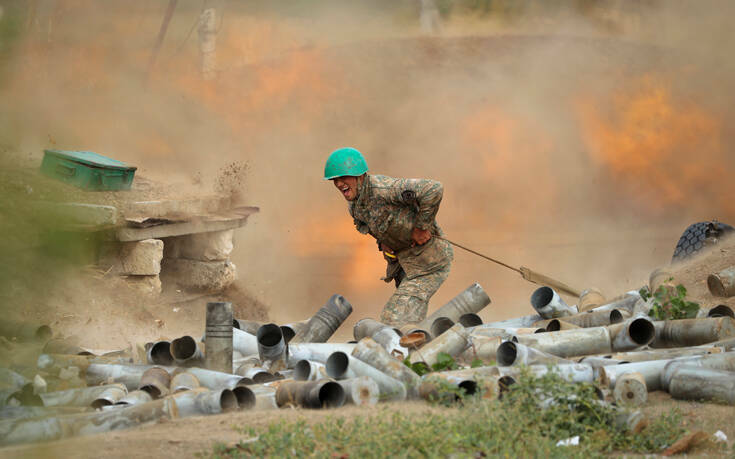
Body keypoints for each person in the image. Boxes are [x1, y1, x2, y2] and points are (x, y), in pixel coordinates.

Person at [324, 147, 453, 326]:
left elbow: (433, 189)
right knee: (410, 322)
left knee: (395, 318)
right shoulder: (355, 207)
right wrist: (383, 242)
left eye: (343, 178)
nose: (339, 184)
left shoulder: (384, 189)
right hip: (405, 265)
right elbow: (374, 225)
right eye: (335, 180)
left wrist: (422, 227)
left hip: (429, 262)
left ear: (360, 175)